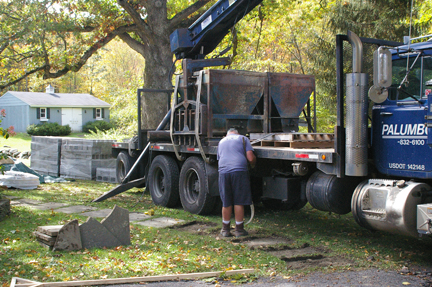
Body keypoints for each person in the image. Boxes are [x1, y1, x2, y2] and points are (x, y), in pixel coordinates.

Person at [217, 128, 256, 237]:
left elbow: (220, 158)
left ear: (228, 134)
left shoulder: (221, 141)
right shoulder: (243, 139)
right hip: (239, 171)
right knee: (239, 201)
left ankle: (225, 230)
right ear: (237, 133)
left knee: (226, 201)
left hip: (223, 172)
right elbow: (250, 158)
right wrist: (253, 163)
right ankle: (239, 230)